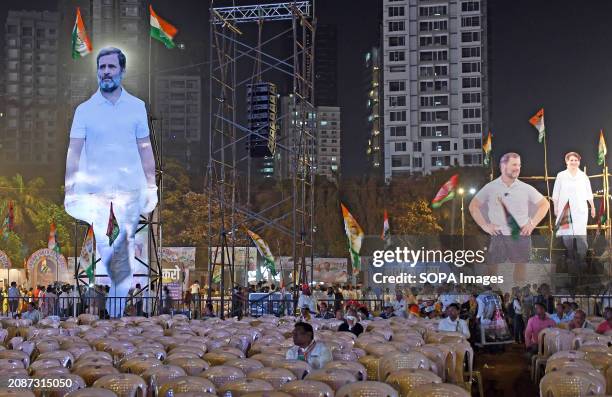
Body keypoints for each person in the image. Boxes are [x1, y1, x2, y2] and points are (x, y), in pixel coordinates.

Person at [64, 47, 158, 318]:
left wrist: (151, 186)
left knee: (123, 250)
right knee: (107, 251)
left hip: (129, 189)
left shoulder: (137, 107)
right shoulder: (84, 110)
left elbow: (145, 149)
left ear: (122, 71)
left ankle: (116, 312)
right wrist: (69, 187)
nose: (105, 72)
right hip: (97, 192)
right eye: (101, 67)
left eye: (111, 67)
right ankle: (114, 310)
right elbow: (74, 151)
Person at [469, 152, 549, 265]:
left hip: (521, 238)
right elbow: (473, 206)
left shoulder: (526, 188)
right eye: (514, 165)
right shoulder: (490, 187)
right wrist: (485, 226)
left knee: (520, 276)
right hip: (499, 237)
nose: (517, 168)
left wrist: (532, 224)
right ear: (503, 166)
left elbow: (545, 204)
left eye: (519, 165)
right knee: (497, 275)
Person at [552, 152, 595, 270]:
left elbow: (588, 193)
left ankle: (581, 260)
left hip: (580, 209)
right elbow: (556, 193)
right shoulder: (561, 175)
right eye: (571, 160)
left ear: (579, 162)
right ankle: (570, 257)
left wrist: (593, 207)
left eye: (576, 160)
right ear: (567, 161)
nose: (574, 162)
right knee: (567, 236)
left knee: (581, 236)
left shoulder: (583, 176)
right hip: (565, 209)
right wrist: (555, 207)